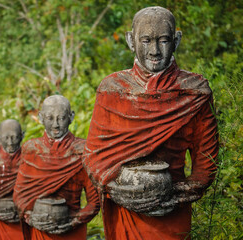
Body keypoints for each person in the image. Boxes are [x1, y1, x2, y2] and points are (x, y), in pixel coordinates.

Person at [83, 6, 219, 240]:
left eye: (163, 40)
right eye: (146, 40)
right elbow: (93, 158)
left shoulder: (194, 92)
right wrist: (119, 192)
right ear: (131, 41)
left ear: (176, 40)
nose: (155, 51)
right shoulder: (112, 90)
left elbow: (206, 164)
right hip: (124, 209)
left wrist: (175, 195)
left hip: (171, 213)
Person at [13, 95, 100, 240]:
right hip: (40, 229)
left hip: (71, 231)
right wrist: (31, 218)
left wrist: (74, 221)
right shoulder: (31, 149)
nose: (55, 125)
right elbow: (19, 196)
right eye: (50, 118)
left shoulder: (82, 151)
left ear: (71, 117)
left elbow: (94, 202)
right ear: (41, 118)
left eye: (61, 118)